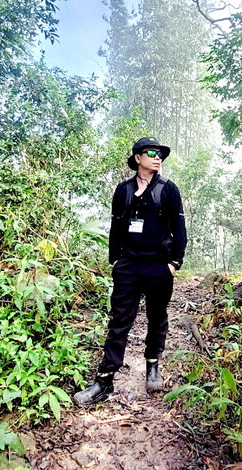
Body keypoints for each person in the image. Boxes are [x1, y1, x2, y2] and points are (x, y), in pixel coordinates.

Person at [73, 137, 188, 406]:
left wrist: (174, 263)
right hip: (129, 266)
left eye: (160, 154)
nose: (157, 157)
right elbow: (116, 226)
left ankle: (152, 365)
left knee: (157, 317)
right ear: (138, 158)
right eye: (151, 153)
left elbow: (179, 230)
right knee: (119, 321)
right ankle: (104, 380)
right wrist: (115, 260)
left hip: (159, 265)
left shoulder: (168, 190)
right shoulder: (123, 190)